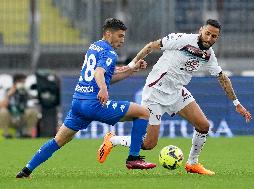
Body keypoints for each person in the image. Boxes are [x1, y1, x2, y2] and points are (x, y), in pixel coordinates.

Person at [98, 19, 252, 175]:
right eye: (207, 33)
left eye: (214, 36)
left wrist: (236, 103)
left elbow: (222, 77)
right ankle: (112, 140)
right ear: (201, 30)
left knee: (204, 126)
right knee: (149, 144)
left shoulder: (208, 55)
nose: (209, 38)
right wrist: (131, 66)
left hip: (177, 92)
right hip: (155, 93)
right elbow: (151, 46)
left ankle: (192, 163)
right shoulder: (182, 40)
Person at [16, 18, 156, 179]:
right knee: (143, 112)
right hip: (94, 104)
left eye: (124, 37)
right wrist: (103, 88)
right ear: (108, 33)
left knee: (58, 140)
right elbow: (99, 73)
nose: (122, 40)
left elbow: (109, 75)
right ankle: (133, 158)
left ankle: (26, 171)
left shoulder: (94, 46)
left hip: (78, 103)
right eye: (119, 36)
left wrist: (131, 70)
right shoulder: (110, 52)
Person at [0, 74, 38, 138]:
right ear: (16, 82)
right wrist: (8, 95)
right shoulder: (7, 91)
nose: (23, 83)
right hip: (10, 117)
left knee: (33, 112)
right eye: (22, 82)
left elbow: (30, 105)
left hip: (21, 116)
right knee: (3, 111)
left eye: (24, 82)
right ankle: (5, 134)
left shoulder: (25, 92)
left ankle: (27, 134)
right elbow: (2, 106)